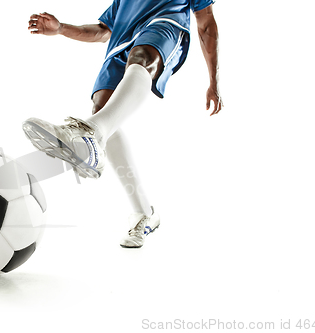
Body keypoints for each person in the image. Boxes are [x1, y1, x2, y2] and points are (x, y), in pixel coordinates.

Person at [24, 0, 223, 248]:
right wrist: (61, 28)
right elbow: (103, 30)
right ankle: (144, 213)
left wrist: (213, 80)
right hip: (121, 43)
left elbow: (205, 24)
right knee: (103, 110)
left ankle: (87, 132)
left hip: (164, 25)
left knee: (141, 58)